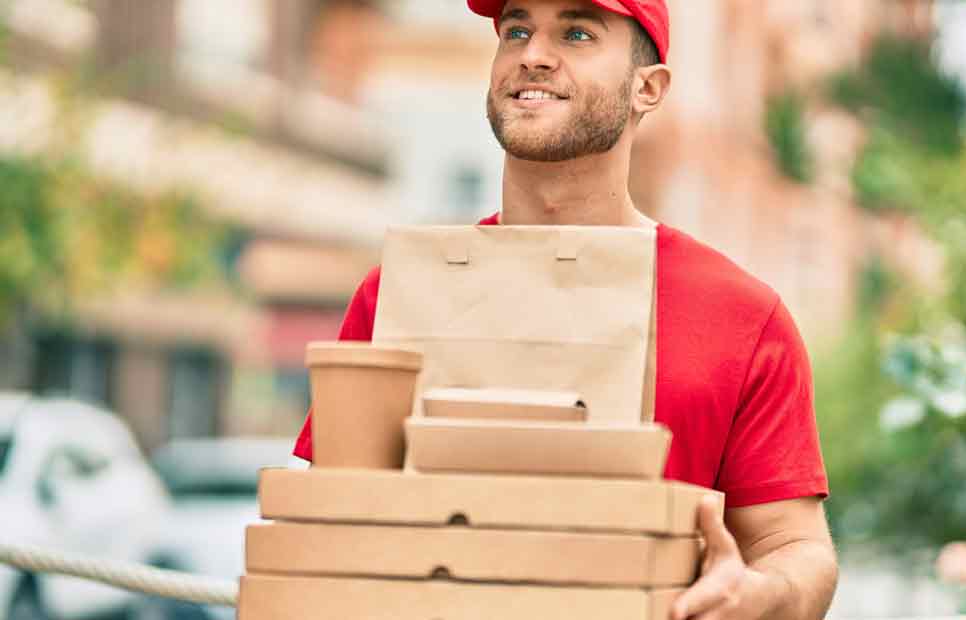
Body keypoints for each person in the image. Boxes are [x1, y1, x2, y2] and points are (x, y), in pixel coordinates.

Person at [292, 1, 838, 618]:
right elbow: (331, 529)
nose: (534, 54)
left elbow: (793, 545)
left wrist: (763, 595)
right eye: (517, 30)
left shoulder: (743, 319)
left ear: (648, 88)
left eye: (576, 33)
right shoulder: (394, 295)